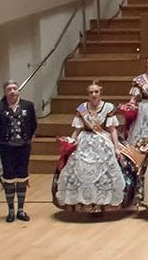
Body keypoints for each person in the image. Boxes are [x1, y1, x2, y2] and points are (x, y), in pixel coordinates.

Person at [54, 81, 132, 214]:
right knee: (79, 168)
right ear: (88, 94)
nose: (94, 95)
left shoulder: (108, 107)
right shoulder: (82, 108)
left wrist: (116, 147)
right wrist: (71, 143)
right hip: (84, 139)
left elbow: (112, 130)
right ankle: (82, 201)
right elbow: (77, 130)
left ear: (101, 93)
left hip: (103, 139)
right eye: (91, 92)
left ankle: (102, 202)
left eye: (96, 92)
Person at [0, 81, 37, 222]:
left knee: (22, 177)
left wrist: (27, 139)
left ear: (18, 91)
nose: (12, 91)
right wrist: (3, 142)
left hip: (23, 147)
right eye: (9, 89)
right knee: (9, 178)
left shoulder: (27, 106)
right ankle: (10, 210)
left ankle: (21, 210)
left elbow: (33, 124)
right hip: (7, 148)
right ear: (5, 92)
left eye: (14, 88)